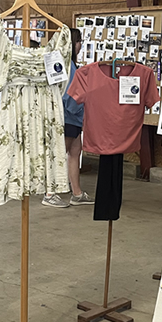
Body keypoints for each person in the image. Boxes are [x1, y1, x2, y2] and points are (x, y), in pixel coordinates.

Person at [42, 28, 94, 208]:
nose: (81, 45)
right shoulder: (68, 66)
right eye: (79, 41)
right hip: (68, 117)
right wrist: (78, 108)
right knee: (60, 154)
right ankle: (50, 193)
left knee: (75, 152)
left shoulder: (69, 64)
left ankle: (77, 193)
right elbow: (70, 96)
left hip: (74, 118)